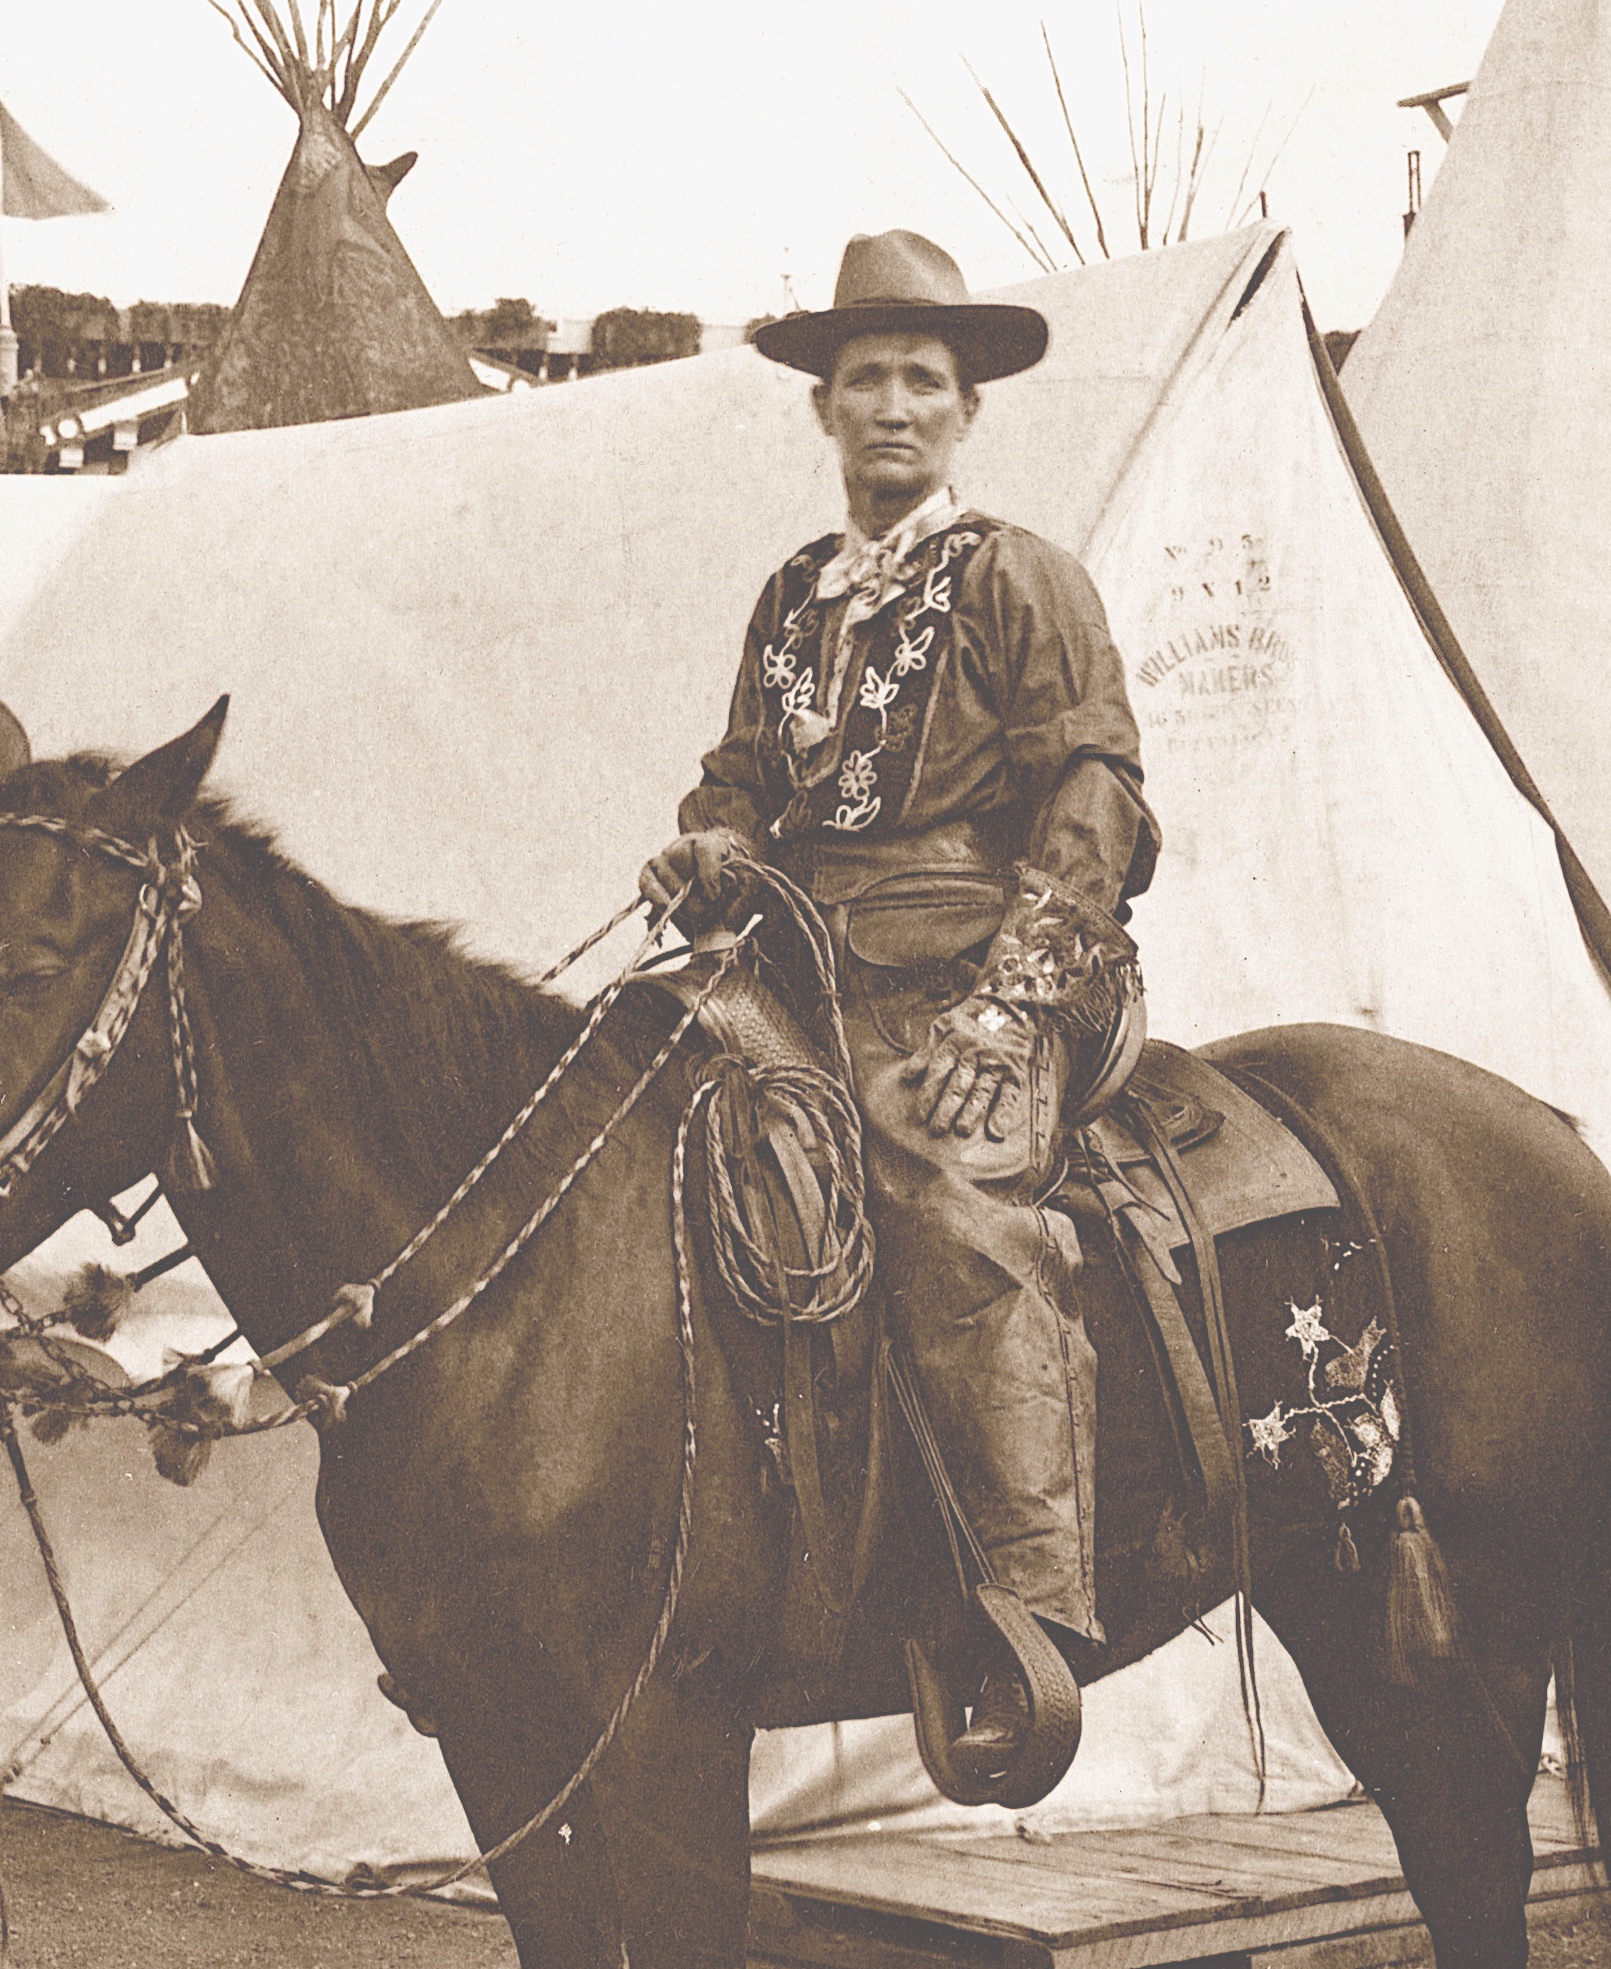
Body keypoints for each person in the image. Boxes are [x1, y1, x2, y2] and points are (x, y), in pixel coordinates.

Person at [640, 230, 1155, 1774]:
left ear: (967, 407)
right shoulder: (792, 598)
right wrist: (712, 842)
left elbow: (1097, 793)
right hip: (801, 969)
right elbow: (745, 775)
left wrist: (1010, 1006)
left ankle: (1030, 1601)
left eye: (922, 379)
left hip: (987, 970)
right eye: (863, 379)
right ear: (822, 409)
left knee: (937, 1191)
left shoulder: (1019, 579)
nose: (891, 407)